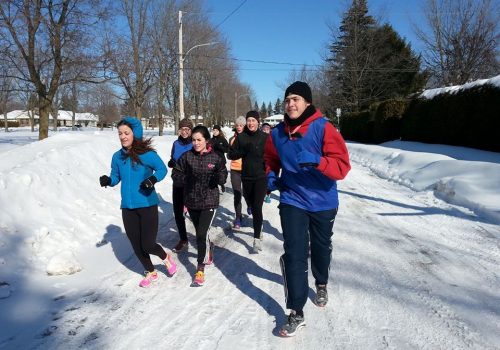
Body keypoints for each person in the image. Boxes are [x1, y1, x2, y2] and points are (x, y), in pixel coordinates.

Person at [264, 81, 351, 337]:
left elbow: (342, 166)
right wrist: (270, 176)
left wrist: (319, 161)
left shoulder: (323, 128)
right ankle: (296, 311)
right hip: (292, 199)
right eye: (287, 99)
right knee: (294, 252)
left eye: (296, 99)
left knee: (321, 247)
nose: (291, 103)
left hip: (323, 200)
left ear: (307, 102)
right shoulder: (277, 133)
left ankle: (321, 281)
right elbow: (270, 159)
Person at [99, 116, 177, 288]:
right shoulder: (117, 157)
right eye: (120, 133)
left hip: (147, 204)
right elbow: (115, 177)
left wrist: (152, 180)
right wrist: (108, 180)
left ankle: (166, 258)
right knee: (136, 245)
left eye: (126, 133)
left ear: (134, 134)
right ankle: (151, 271)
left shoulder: (147, 155)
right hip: (127, 207)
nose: (123, 137)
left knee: (148, 244)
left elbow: (162, 169)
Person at [172, 125, 228, 286]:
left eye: (199, 140)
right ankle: (209, 246)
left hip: (209, 201)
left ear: (206, 140)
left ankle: (200, 269)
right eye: (194, 140)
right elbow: (175, 173)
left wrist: (219, 179)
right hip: (191, 201)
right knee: (200, 232)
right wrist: (185, 179)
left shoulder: (215, 157)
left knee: (201, 235)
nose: (196, 143)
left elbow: (223, 172)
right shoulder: (186, 156)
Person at [227, 111, 269, 253]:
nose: (251, 123)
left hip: (261, 177)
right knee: (249, 201)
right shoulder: (241, 138)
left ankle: (257, 237)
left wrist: (270, 168)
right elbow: (230, 154)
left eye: (253, 120)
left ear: (258, 121)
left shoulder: (265, 137)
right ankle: (258, 224)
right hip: (246, 176)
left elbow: (272, 156)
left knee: (257, 206)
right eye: (249, 120)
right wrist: (243, 151)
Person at [167, 118, 193, 252]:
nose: (184, 132)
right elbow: (173, 157)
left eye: (187, 129)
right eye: (182, 129)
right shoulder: (175, 143)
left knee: (195, 213)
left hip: (191, 183)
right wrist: (171, 162)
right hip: (177, 181)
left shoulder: (195, 143)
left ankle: (203, 239)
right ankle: (183, 239)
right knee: (177, 213)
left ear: (191, 130)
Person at [228, 116, 248, 229]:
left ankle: (249, 204)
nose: (239, 127)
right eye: (237, 125)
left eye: (241, 125)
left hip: (247, 169)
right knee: (237, 194)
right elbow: (229, 153)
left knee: (247, 193)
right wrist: (229, 154)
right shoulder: (232, 139)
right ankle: (238, 218)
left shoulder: (248, 137)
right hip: (235, 169)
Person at [209, 125, 229, 193]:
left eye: (216, 130)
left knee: (223, 175)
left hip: (221, 161)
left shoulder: (222, 139)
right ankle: (214, 188)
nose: (214, 132)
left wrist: (220, 147)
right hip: (212, 161)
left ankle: (222, 184)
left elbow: (227, 149)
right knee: (213, 175)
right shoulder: (210, 140)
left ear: (219, 131)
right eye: (213, 130)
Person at [260, 122, 272, 204]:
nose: (265, 131)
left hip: (270, 162)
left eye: (267, 129)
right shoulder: (259, 138)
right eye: (264, 129)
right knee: (262, 179)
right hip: (260, 161)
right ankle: (262, 193)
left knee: (269, 178)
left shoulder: (272, 138)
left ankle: (268, 194)